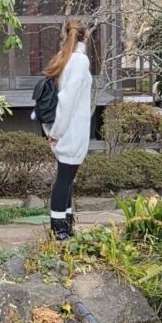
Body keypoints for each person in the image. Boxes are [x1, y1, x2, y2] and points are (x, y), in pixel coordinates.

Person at [43, 19, 92, 242]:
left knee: (67, 178)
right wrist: (56, 132)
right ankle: (59, 227)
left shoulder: (68, 59)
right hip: (71, 131)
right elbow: (67, 100)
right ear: (87, 35)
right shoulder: (79, 61)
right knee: (64, 179)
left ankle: (66, 222)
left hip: (68, 130)